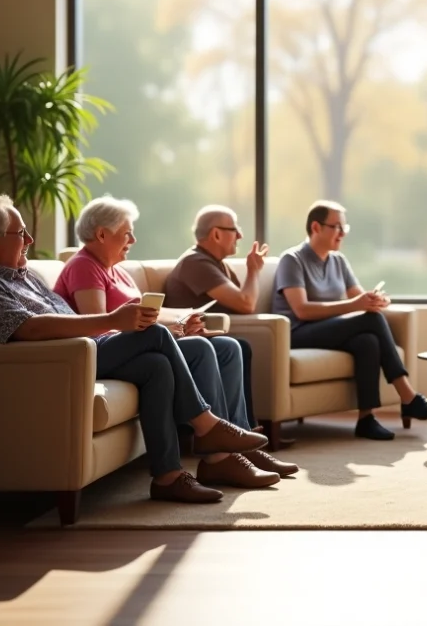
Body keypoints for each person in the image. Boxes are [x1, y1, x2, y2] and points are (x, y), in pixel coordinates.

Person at [0, 195, 269, 504]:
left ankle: (168, 476)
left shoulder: (19, 274)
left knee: (157, 366)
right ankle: (206, 426)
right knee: (155, 336)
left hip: (79, 352)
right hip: (59, 362)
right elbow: (29, 328)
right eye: (21, 233)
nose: (29, 241)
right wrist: (114, 320)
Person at [55, 196, 296, 485]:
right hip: (103, 352)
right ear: (102, 234)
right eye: (126, 233)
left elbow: (147, 314)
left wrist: (181, 322)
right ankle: (217, 454)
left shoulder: (117, 270)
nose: (132, 239)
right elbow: (100, 324)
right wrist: (170, 330)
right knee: (200, 348)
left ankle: (239, 443)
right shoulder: (84, 266)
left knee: (229, 348)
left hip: (132, 344)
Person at [268, 200, 427, 441]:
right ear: (316, 227)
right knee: (372, 322)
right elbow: (301, 310)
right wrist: (357, 305)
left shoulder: (338, 261)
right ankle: (407, 395)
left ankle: (366, 419)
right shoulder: (292, 260)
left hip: (328, 331)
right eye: (336, 227)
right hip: (297, 333)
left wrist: (375, 301)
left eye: (345, 228)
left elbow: (358, 297)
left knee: (367, 340)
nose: (342, 233)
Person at [162, 204, 269, 431]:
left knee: (241, 346)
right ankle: (239, 430)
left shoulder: (217, 264)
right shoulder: (196, 263)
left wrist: (252, 272)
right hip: (183, 338)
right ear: (216, 234)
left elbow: (243, 303)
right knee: (237, 346)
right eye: (234, 229)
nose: (240, 235)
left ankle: (244, 428)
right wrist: (253, 271)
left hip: (201, 335)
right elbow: (246, 303)